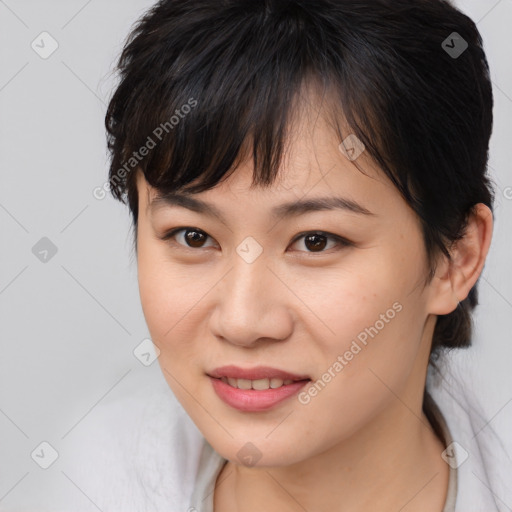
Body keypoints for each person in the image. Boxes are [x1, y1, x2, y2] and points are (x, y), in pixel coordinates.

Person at [94, 0, 511, 510]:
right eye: (194, 237)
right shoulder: (85, 483)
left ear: (455, 258)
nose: (243, 322)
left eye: (316, 241)